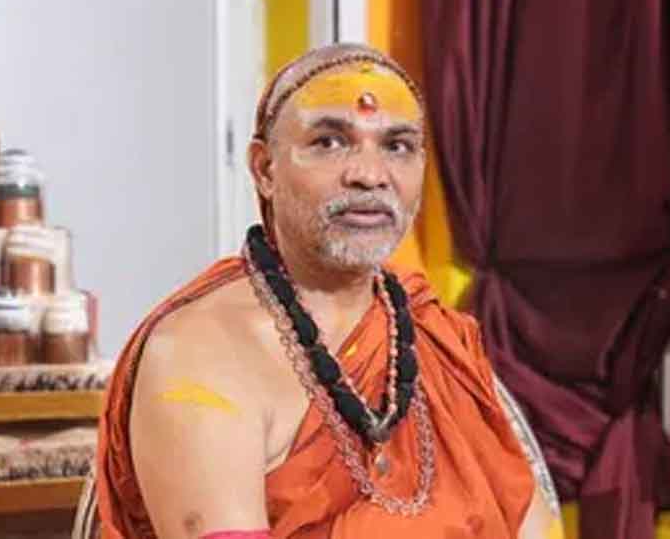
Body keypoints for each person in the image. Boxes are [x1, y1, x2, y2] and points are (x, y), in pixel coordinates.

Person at [85, 43, 562, 539]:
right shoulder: (199, 355)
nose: (370, 175)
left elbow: (529, 526)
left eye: (397, 146)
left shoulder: (438, 336)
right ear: (264, 170)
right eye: (329, 142)